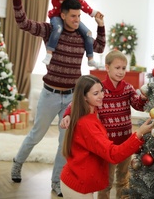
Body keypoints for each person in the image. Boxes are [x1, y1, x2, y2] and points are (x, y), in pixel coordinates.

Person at [9, 0, 106, 197]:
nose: (77, 20)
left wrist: (100, 25)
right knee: (35, 135)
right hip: (50, 94)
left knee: (65, 142)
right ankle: (17, 163)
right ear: (62, 15)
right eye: (73, 16)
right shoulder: (51, 30)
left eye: (79, 17)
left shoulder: (83, 36)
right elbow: (23, 23)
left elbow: (98, 47)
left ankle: (56, 182)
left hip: (73, 97)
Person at [61, 50, 148, 199]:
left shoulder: (127, 88)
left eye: (124, 68)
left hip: (126, 142)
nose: (121, 72)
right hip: (106, 146)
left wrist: (144, 98)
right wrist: (67, 114)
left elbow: (138, 105)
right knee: (106, 183)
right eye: (117, 68)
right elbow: (77, 101)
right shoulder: (99, 90)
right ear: (107, 68)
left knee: (123, 180)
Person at [16, 0, 103, 67]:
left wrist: (93, 13)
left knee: (88, 33)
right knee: (58, 29)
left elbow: (83, 4)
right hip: (56, 16)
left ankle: (90, 59)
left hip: (69, 19)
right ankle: (49, 53)